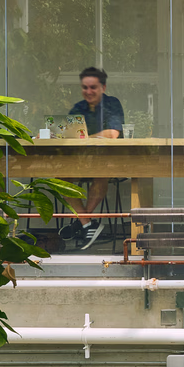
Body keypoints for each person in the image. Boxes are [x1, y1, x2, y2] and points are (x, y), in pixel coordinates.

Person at [64, 66, 125, 251]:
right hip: (81, 161)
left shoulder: (112, 104)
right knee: (60, 179)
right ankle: (87, 223)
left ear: (103, 88)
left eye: (93, 87)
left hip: (109, 160)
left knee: (101, 174)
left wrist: (84, 138)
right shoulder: (78, 107)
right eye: (85, 87)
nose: (88, 92)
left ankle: (84, 222)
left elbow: (113, 134)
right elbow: (67, 133)